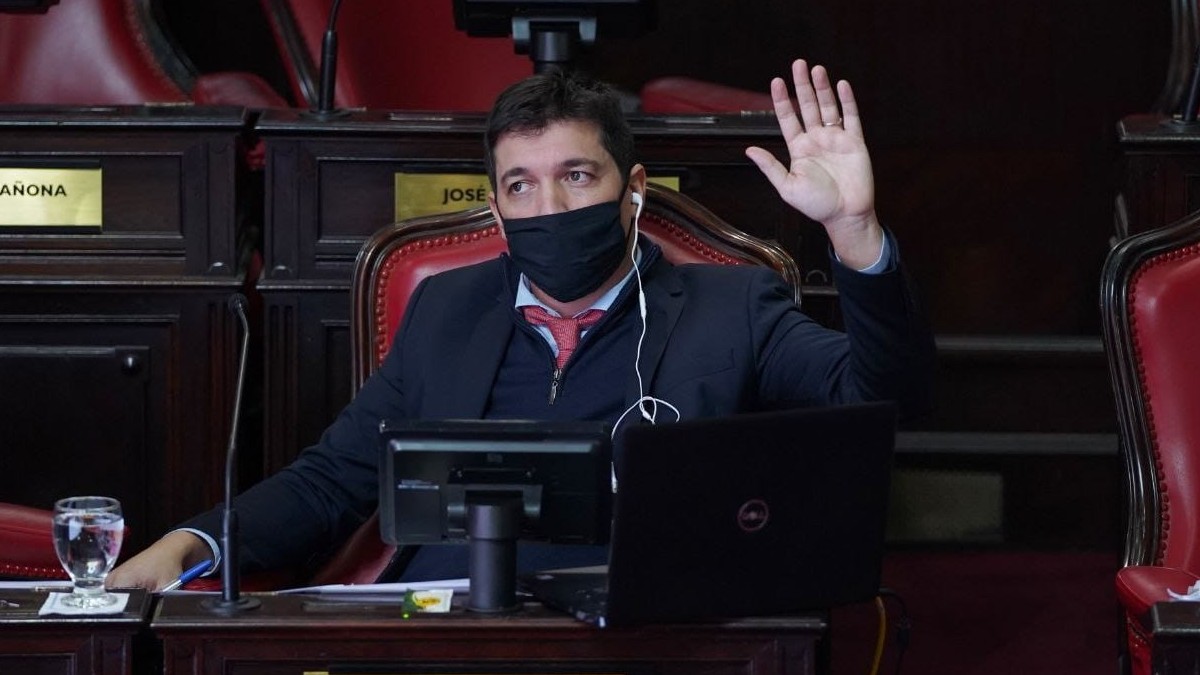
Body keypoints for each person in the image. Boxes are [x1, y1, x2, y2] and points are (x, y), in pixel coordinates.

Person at [109, 59, 935, 590]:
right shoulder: (447, 311)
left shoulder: (732, 307)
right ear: (498, 207)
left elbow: (885, 397)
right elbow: (332, 481)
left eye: (577, 176)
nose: (549, 206)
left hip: (641, 639)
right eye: (521, 185)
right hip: (446, 632)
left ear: (632, 190)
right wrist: (191, 544)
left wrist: (853, 231)